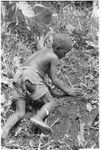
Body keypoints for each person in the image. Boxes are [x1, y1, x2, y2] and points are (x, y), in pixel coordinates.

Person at [1, 33, 81, 141]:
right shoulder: (54, 57)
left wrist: (48, 88)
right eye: (65, 52)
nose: (65, 55)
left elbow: (41, 73)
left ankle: (4, 131)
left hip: (18, 75)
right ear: (58, 48)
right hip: (30, 76)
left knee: (19, 113)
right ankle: (38, 118)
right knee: (51, 102)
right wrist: (68, 90)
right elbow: (54, 79)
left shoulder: (43, 52)